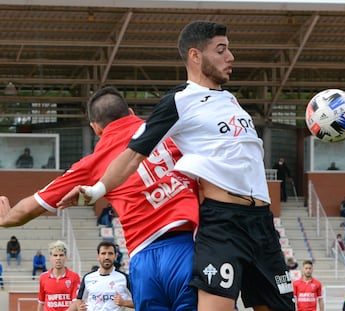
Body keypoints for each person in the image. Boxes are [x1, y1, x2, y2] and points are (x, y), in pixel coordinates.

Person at [58, 21, 295, 311]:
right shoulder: (178, 102)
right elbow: (133, 154)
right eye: (221, 50)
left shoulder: (231, 101)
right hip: (223, 225)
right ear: (195, 56)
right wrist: (96, 191)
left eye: (229, 49)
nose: (230, 56)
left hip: (262, 223)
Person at [0, 86, 199, 311]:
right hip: (187, 246)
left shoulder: (93, 163)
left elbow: (31, 206)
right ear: (131, 112)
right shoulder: (170, 133)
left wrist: (6, 219)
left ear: (95, 128)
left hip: (143, 260)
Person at [68, 241, 134, 311]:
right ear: (98, 256)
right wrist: (80, 307)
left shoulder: (124, 278)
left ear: (115, 256)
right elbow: (79, 299)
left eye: (110, 253)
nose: (106, 257)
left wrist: (124, 303)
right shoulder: (87, 278)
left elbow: (140, 302)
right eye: (103, 253)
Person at [38, 240, 80, 311]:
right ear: (50, 257)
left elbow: (76, 303)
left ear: (66, 257)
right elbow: (41, 302)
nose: (58, 258)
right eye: (55, 255)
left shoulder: (74, 277)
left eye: (61, 255)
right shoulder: (43, 277)